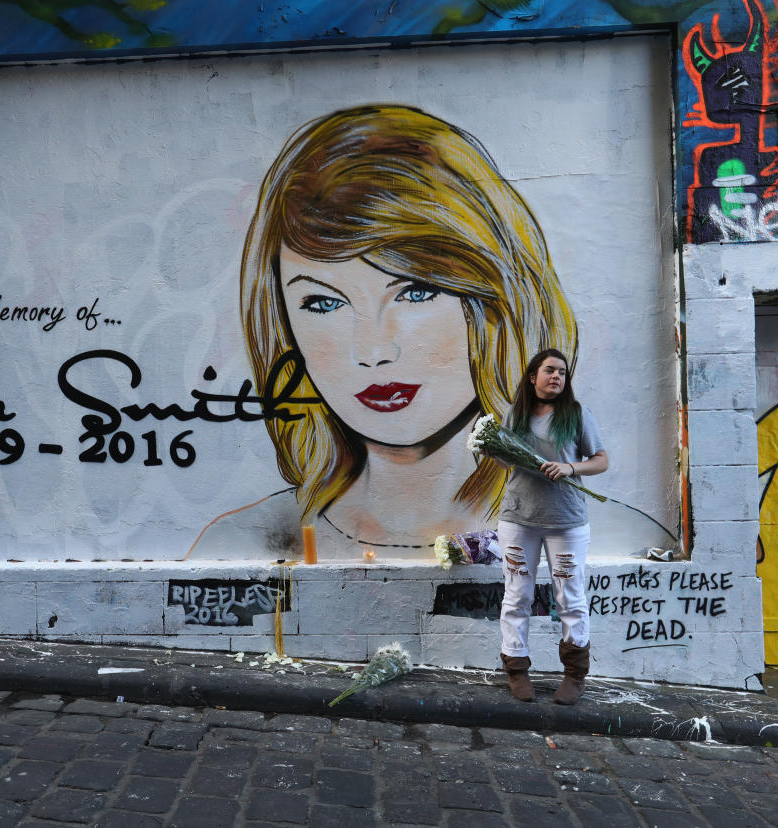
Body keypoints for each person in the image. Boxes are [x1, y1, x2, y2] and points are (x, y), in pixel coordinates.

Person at [186, 104, 576, 560]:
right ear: (286, 327)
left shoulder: (577, 540)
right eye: (324, 303)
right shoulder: (238, 545)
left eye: (415, 293)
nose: (371, 350)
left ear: (493, 304)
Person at [495, 348, 608, 705]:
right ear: (533, 377)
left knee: (570, 597)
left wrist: (570, 468)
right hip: (519, 520)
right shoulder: (517, 413)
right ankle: (516, 668)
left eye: (562, 372)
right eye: (549, 370)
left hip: (567, 523)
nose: (557, 376)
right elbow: (501, 458)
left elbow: (601, 460)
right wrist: (491, 448)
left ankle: (575, 674)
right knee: (517, 595)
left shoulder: (576, 414)